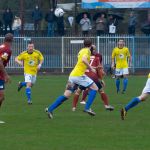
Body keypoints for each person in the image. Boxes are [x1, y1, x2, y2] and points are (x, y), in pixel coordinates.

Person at [45, 39, 98, 119]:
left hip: (72, 75)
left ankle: (50, 109)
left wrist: (91, 67)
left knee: (66, 95)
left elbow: (81, 62)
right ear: (91, 45)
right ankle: (87, 108)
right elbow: (83, 60)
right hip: (78, 75)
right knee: (95, 88)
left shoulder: (81, 50)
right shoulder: (87, 51)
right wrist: (91, 68)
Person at [72, 45, 114, 111]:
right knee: (101, 91)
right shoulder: (96, 58)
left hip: (84, 76)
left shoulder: (83, 56)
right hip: (93, 76)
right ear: (92, 50)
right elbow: (99, 69)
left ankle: (74, 107)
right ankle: (106, 105)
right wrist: (101, 79)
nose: (95, 51)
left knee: (78, 91)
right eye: (94, 49)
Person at [0, 33, 13, 112]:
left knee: (1, 97)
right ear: (12, 40)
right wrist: (6, 75)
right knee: (1, 97)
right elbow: (0, 62)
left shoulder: (2, 46)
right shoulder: (7, 49)